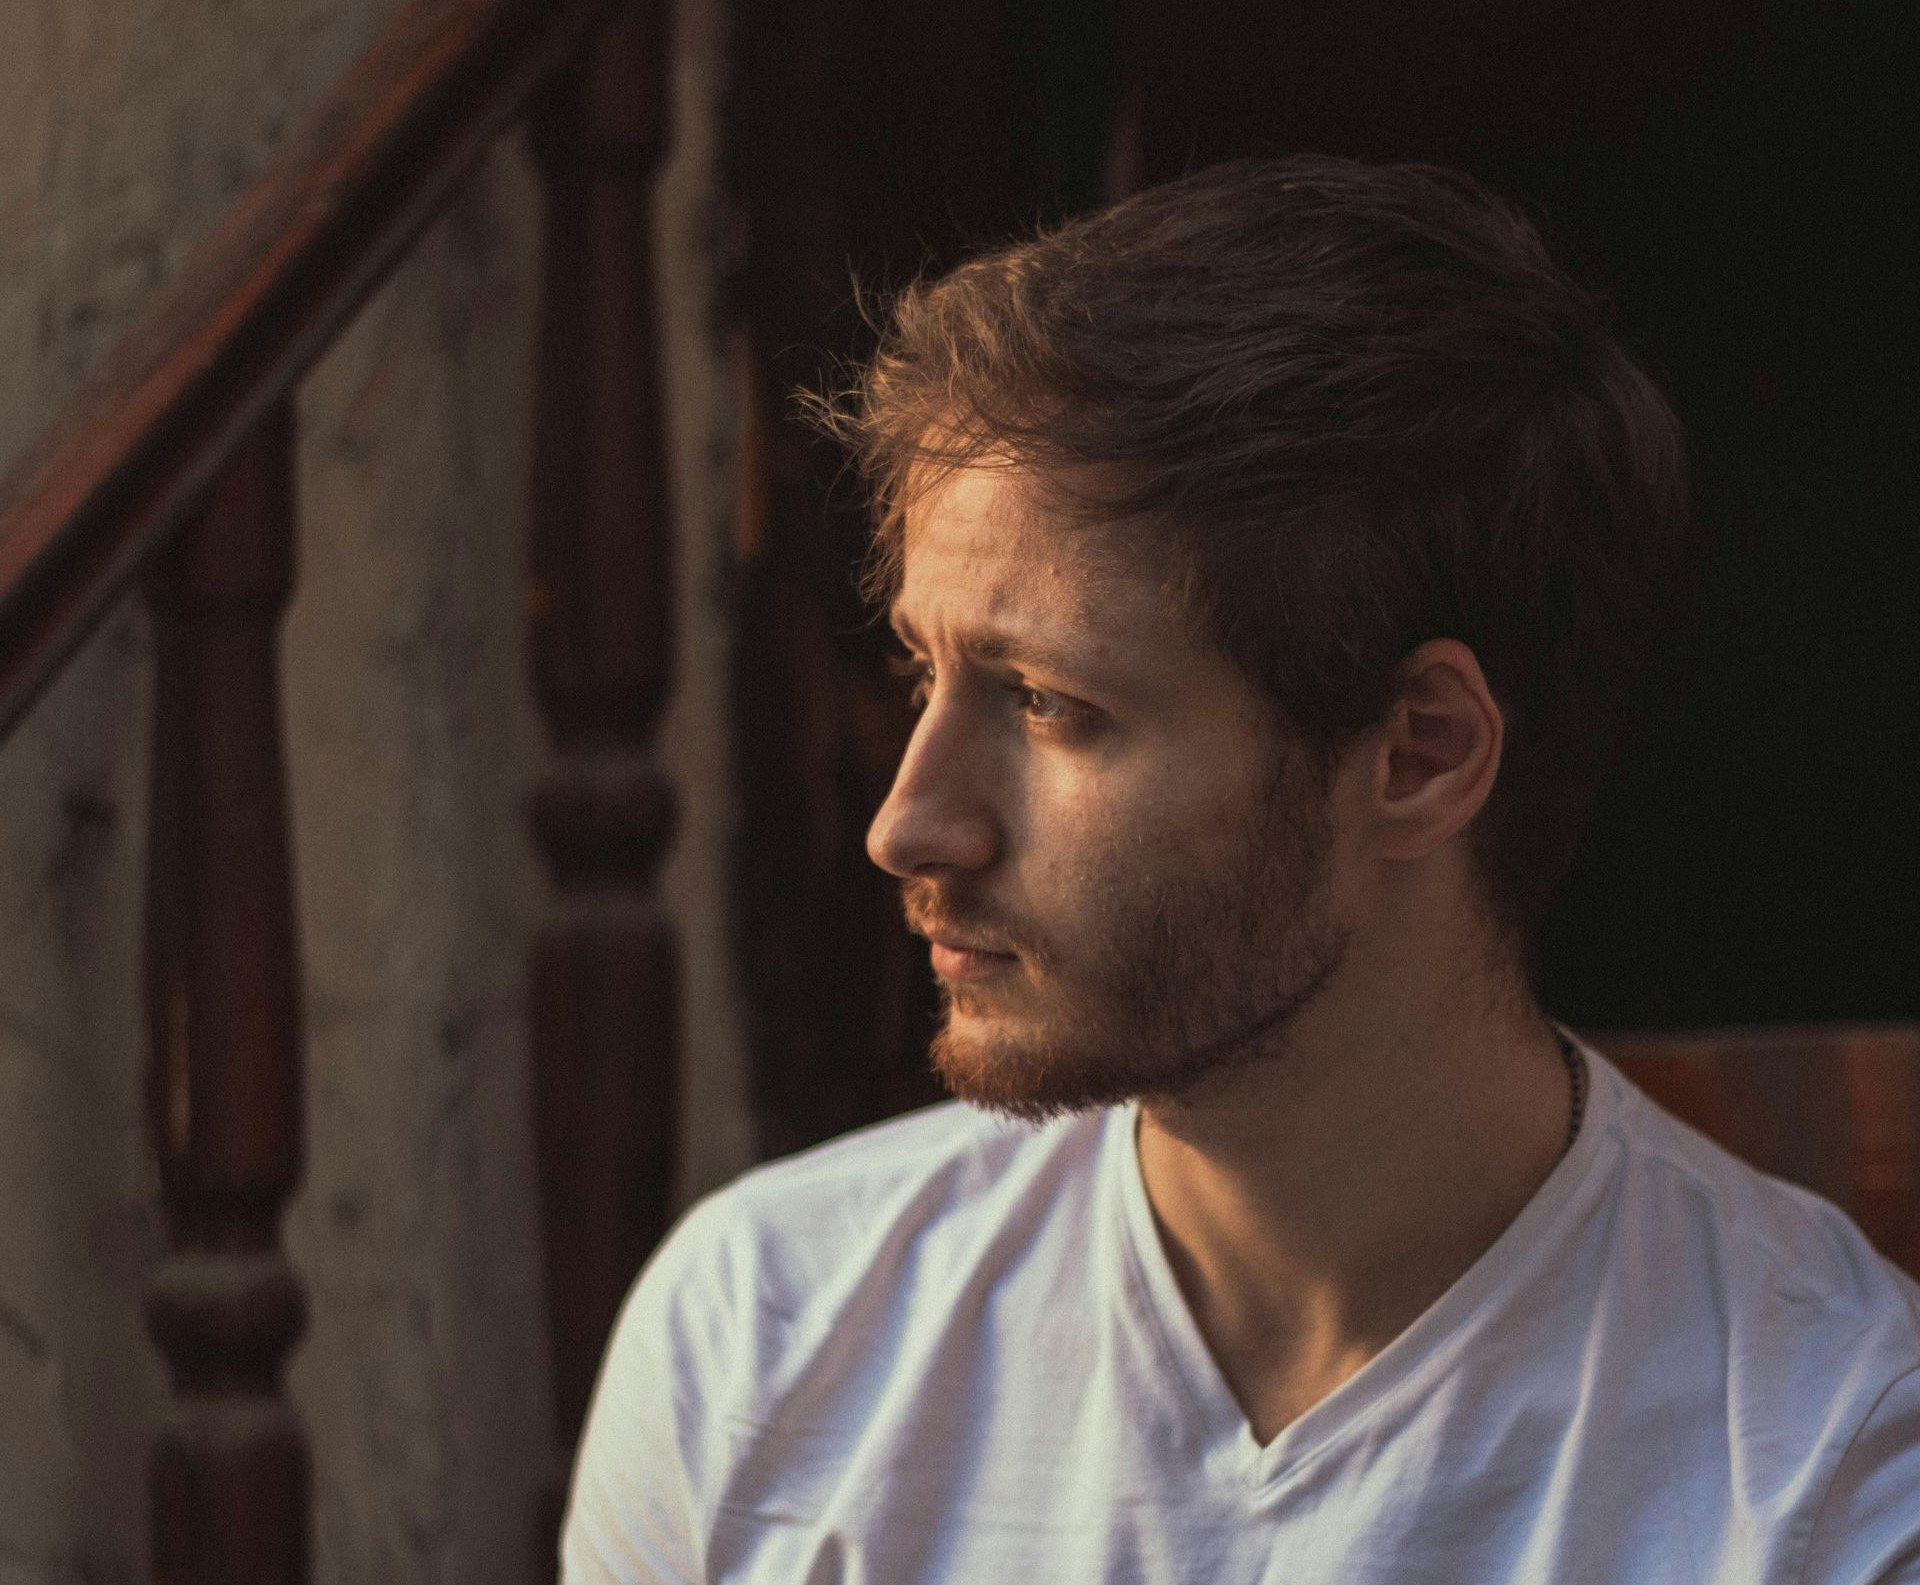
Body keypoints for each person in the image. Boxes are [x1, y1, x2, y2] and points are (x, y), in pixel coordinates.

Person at [561, 156, 1920, 1582]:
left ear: (1420, 754)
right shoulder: (764, 1338)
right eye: (924, 670)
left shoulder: (1825, 1471)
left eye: (1046, 704)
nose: (909, 824)